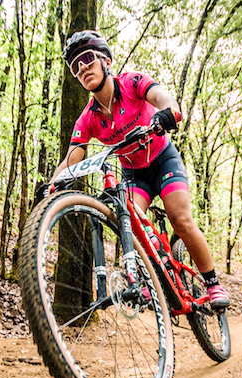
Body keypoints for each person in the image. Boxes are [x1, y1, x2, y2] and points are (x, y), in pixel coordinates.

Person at [50, 31, 229, 309]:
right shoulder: (87, 118)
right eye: (75, 66)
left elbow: (162, 97)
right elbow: (74, 156)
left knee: (180, 218)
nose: (82, 68)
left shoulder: (132, 82)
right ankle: (151, 280)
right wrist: (52, 184)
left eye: (86, 59)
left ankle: (212, 282)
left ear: (105, 61)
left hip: (163, 160)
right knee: (131, 224)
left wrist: (168, 112)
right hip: (135, 174)